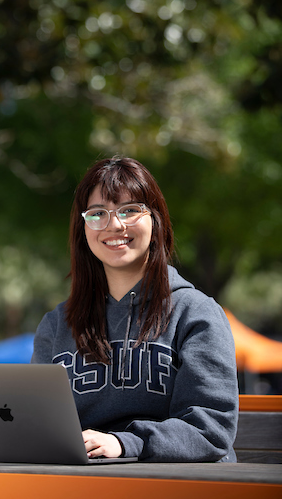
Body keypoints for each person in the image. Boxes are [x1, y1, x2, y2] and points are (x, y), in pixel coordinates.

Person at [31, 156, 239, 462]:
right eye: (97, 213)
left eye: (129, 210)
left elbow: (211, 429)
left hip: (182, 482)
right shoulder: (57, 325)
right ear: (83, 228)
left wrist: (125, 443)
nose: (113, 225)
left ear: (155, 220)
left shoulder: (196, 314)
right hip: (87, 481)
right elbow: (36, 424)